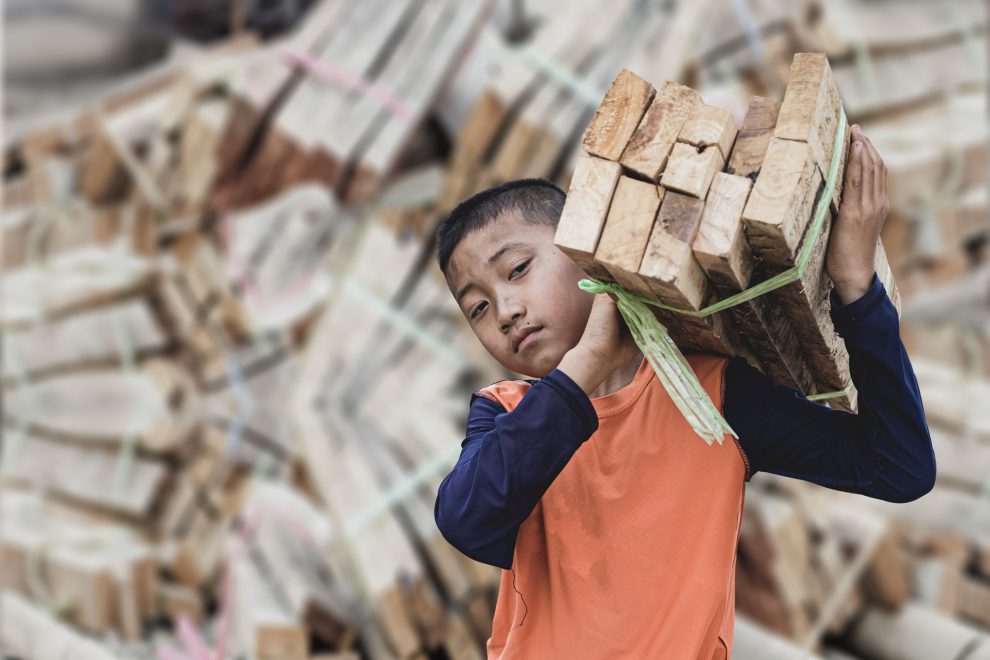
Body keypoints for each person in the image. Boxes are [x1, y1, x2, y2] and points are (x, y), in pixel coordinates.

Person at [432, 124, 935, 658]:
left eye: (518, 269)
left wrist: (856, 290)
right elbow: (468, 520)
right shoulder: (504, 413)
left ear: (583, 247)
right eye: (478, 308)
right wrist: (585, 368)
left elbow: (898, 467)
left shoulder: (713, 397)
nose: (505, 312)